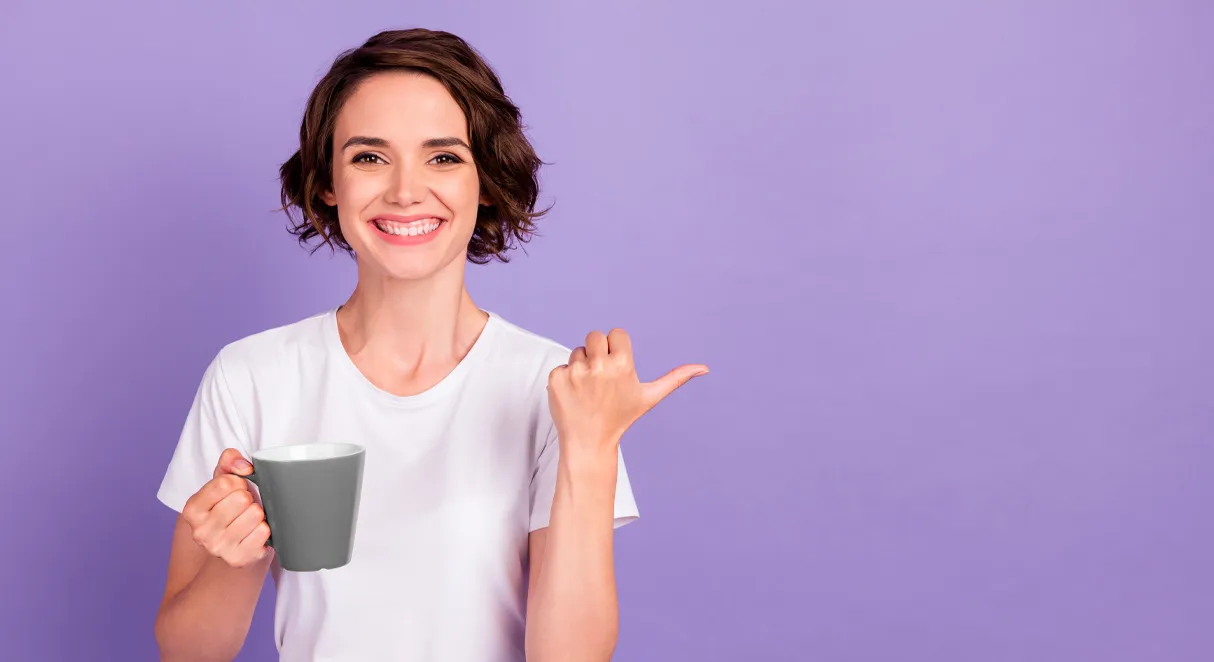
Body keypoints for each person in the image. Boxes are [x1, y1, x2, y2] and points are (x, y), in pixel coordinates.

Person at [151, 27, 707, 662]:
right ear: (329, 182)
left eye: (443, 157)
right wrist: (236, 556)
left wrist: (592, 445)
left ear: (485, 180)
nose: (406, 190)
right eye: (369, 157)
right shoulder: (251, 375)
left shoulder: (551, 385)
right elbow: (188, 652)